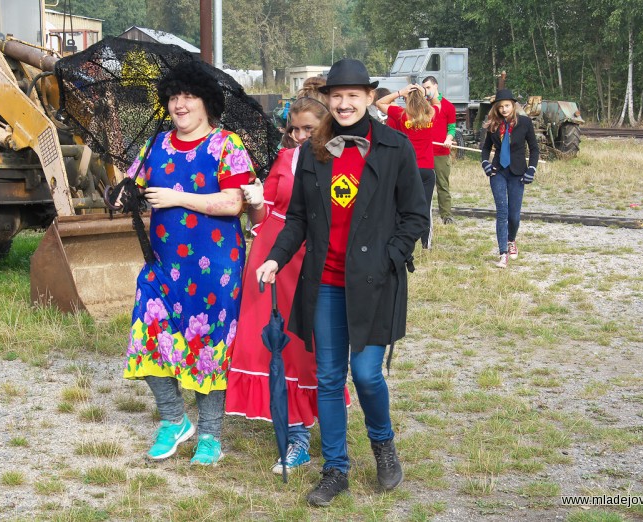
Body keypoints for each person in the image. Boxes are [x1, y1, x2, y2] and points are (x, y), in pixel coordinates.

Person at [255, 58, 429, 507]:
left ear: (370, 98)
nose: (345, 103)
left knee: (367, 374)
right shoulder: (314, 149)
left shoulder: (395, 147)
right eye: (337, 96)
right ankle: (336, 468)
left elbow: (414, 215)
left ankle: (383, 444)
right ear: (327, 100)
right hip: (326, 283)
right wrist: (276, 257)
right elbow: (296, 218)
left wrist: (392, 257)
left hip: (374, 281)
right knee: (330, 379)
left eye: (354, 95)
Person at [122, 60, 256, 465]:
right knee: (147, 339)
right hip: (162, 265)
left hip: (216, 267)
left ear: (206, 102)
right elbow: (133, 184)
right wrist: (120, 194)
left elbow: (235, 202)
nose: (180, 105)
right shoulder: (155, 144)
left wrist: (179, 197)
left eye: (189, 97)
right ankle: (174, 420)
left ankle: (211, 435)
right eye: (174, 97)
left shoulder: (227, 145)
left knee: (210, 348)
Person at [226, 82, 348, 475]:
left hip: (309, 262)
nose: (299, 136)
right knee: (267, 344)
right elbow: (263, 218)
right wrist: (255, 202)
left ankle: (301, 437)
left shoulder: (340, 161)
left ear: (325, 125)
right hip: (269, 259)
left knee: (302, 347)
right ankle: (292, 434)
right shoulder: (284, 158)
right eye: (294, 129)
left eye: (308, 128)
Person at [480, 88, 539, 269]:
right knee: (502, 213)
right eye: (501, 107)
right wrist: (485, 164)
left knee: (514, 216)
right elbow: (485, 149)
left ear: (513, 106)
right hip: (498, 172)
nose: (504, 109)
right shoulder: (493, 125)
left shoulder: (525, 123)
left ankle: (511, 240)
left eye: (507, 106)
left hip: (518, 174)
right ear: (496, 108)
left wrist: (531, 169)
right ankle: (502, 253)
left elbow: (534, 149)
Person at [376, 84, 436, 249]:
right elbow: (436, 100)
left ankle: (402, 239)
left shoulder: (401, 114)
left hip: (408, 168)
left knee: (403, 205)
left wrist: (399, 92)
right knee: (426, 207)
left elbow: (380, 102)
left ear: (406, 99)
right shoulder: (431, 113)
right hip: (427, 169)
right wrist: (426, 93)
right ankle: (426, 243)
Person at [421, 76, 457, 225]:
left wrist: (449, 138)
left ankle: (446, 215)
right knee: (421, 186)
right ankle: (421, 215)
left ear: (436, 86)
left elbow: (452, 128)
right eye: (424, 89)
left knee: (442, 184)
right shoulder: (423, 106)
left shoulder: (448, 106)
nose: (426, 91)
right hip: (423, 152)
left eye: (428, 87)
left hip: (441, 153)